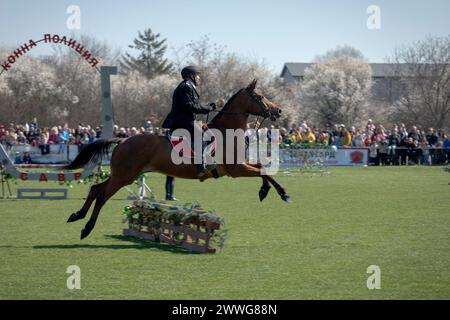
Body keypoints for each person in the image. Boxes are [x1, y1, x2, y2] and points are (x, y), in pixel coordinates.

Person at [161, 65, 216, 178]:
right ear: (191, 76)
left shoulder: (189, 87)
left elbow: (193, 105)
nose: (199, 77)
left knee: (210, 137)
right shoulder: (185, 87)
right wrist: (207, 109)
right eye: (197, 75)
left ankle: (208, 161)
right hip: (181, 121)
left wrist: (207, 107)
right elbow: (188, 106)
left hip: (186, 120)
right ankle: (200, 166)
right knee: (201, 136)